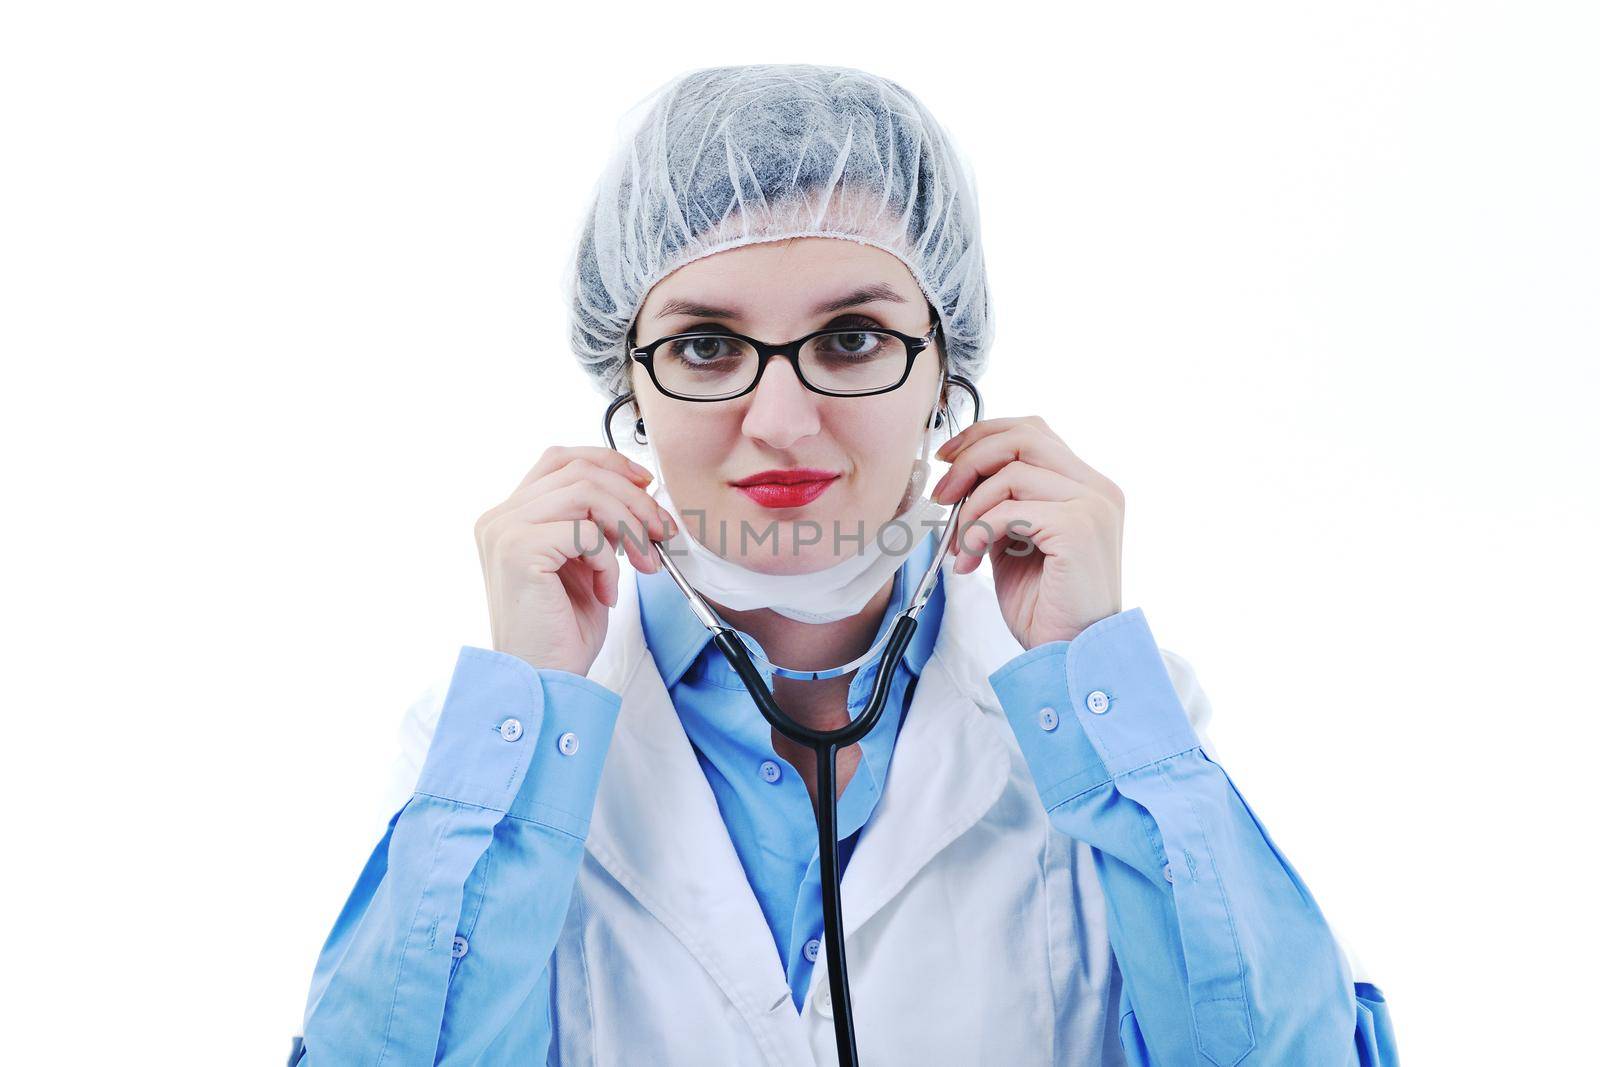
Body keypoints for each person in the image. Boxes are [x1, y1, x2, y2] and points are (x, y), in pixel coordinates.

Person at [290, 64, 1399, 1065]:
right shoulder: (498, 741)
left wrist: (1085, 670)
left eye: (852, 338)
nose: (779, 419)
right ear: (627, 386)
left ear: (944, 369)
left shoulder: (1101, 715)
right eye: (707, 345)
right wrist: (529, 709)